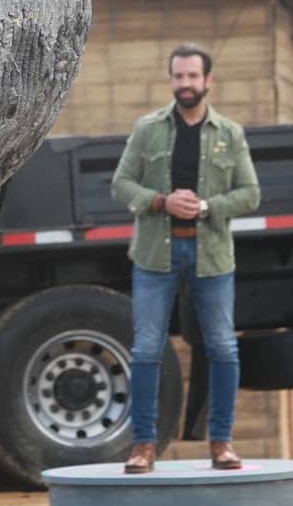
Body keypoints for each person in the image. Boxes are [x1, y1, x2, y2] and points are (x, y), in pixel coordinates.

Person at [110, 43, 260, 474]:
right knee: (145, 349)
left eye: (193, 77)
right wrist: (160, 201)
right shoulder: (148, 129)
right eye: (178, 76)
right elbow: (121, 184)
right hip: (155, 254)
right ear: (171, 79)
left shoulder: (230, 133)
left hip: (212, 255)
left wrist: (207, 207)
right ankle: (143, 446)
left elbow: (250, 193)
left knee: (222, 347)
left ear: (208, 80)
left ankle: (222, 443)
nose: (185, 84)